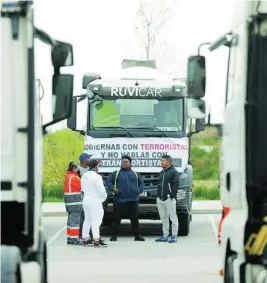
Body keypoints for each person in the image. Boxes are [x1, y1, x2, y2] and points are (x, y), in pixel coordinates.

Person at [107, 155, 145, 242]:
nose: (123, 163)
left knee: (134, 219)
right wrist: (113, 188)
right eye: (122, 162)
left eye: (126, 162)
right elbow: (109, 182)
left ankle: (137, 235)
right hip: (119, 200)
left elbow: (141, 183)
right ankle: (114, 235)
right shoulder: (115, 173)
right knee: (116, 218)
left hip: (133, 200)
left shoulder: (135, 174)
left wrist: (139, 190)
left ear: (130, 163)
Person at [81, 160, 108, 247]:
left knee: (87, 220)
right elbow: (101, 190)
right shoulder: (97, 177)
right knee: (96, 221)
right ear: (96, 167)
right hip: (95, 200)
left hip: (86, 199)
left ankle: (85, 239)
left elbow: (82, 188)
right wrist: (104, 197)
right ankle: (96, 239)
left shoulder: (84, 176)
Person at [155, 155, 179, 243]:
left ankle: (174, 236)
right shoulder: (162, 172)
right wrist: (158, 196)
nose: (161, 163)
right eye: (161, 161)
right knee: (164, 218)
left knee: (173, 218)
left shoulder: (174, 172)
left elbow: (176, 185)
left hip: (169, 199)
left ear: (168, 162)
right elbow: (159, 185)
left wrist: (171, 195)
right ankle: (165, 235)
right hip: (160, 199)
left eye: (163, 161)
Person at [63, 162, 83, 245]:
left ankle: (70, 238)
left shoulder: (68, 176)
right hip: (75, 202)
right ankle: (74, 239)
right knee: (75, 221)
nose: (78, 169)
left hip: (69, 202)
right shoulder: (75, 177)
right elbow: (83, 188)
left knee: (70, 221)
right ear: (74, 169)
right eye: (77, 168)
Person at [78, 152, 93, 240]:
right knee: (83, 217)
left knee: (89, 216)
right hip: (81, 196)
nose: (90, 160)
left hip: (88, 196)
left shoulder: (87, 169)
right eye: (89, 158)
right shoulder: (79, 170)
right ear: (84, 160)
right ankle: (81, 235)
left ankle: (89, 235)